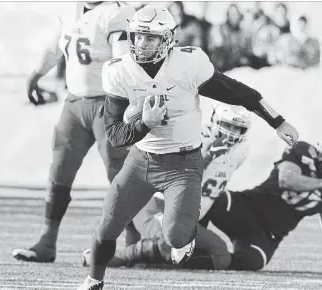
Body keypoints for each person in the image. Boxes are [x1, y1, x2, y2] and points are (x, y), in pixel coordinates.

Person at [77, 5, 299, 290]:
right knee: (108, 223)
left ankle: (185, 238)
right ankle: (94, 279)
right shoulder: (120, 71)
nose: (140, 44)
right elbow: (115, 134)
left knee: (176, 237)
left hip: (182, 163)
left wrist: (278, 121)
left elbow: (239, 93)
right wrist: (144, 124)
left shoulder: (188, 65)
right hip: (141, 160)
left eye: (150, 38)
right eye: (137, 36)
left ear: (168, 39)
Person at [12, 1, 136, 263]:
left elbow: (123, 60)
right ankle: (47, 241)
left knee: (120, 175)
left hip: (108, 103)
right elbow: (55, 46)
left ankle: (133, 243)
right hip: (75, 103)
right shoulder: (70, 10)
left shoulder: (117, 11)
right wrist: (35, 75)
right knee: (59, 172)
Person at [81, 104, 252, 270]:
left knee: (200, 256)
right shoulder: (195, 138)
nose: (231, 132)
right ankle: (117, 258)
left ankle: (159, 259)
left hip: (186, 215)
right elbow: (178, 179)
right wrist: (208, 157)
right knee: (217, 252)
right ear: (215, 120)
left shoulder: (240, 151)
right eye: (227, 125)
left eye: (237, 128)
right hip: (158, 209)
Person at [200, 133, 322, 274]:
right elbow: (285, 179)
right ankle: (187, 243)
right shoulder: (303, 151)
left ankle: (194, 261)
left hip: (267, 235)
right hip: (245, 207)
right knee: (210, 201)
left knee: (251, 262)